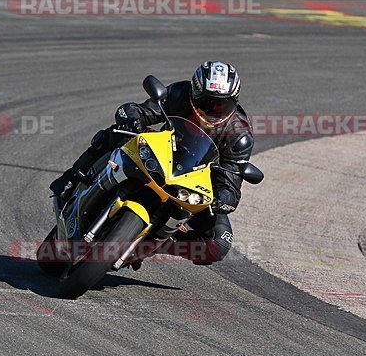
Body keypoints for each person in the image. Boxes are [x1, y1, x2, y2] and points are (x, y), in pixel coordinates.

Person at [50, 61, 254, 266]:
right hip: (162, 153)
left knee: (219, 243)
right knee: (117, 133)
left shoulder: (240, 135)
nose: (213, 109)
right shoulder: (179, 94)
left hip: (194, 185)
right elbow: (143, 111)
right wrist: (132, 118)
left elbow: (231, 183)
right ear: (193, 93)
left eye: (221, 104)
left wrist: (222, 199)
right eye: (206, 101)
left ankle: (155, 243)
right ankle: (73, 176)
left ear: (234, 102)